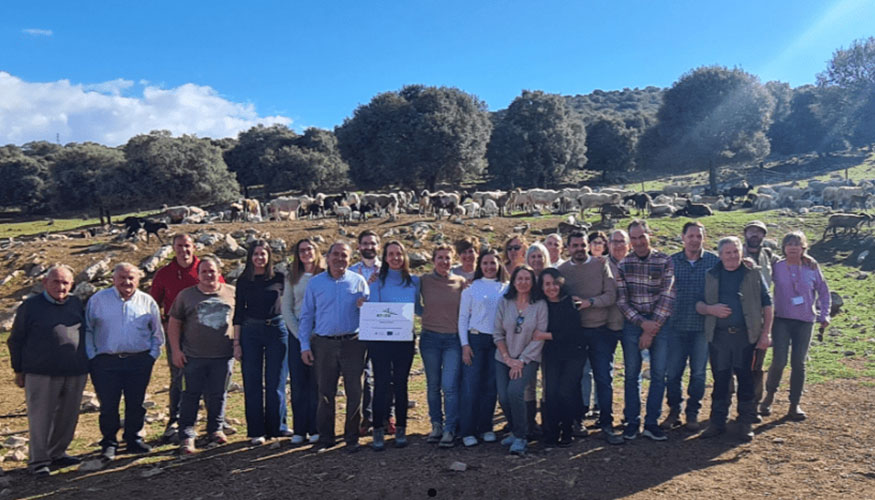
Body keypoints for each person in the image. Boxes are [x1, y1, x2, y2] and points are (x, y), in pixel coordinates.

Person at [8, 265, 88, 475]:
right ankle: (38, 460)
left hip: (74, 370)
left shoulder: (76, 303)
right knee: (41, 417)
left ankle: (57, 453)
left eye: (65, 283)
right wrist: (18, 370)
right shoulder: (31, 306)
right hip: (41, 371)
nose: (61, 287)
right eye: (56, 282)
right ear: (45, 283)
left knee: (68, 416)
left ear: (71, 285)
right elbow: (16, 339)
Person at [150, 233, 226, 442]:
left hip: (208, 333)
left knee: (213, 379)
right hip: (178, 334)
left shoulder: (205, 268)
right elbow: (152, 304)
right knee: (179, 378)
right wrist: (164, 325)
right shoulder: (164, 274)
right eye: (179, 246)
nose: (184, 250)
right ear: (173, 248)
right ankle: (174, 420)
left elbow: (223, 295)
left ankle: (216, 421)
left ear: (194, 248)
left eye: (187, 246)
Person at [85, 263, 164, 460]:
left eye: (131, 278)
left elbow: (157, 332)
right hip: (105, 361)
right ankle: (109, 442)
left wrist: (151, 356)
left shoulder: (147, 301)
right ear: (113, 279)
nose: (126, 282)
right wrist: (92, 357)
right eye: (122, 277)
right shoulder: (98, 300)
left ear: (138, 280)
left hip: (138, 361)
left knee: (136, 402)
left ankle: (133, 438)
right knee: (109, 404)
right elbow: (87, 329)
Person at [697, 237, 773, 441]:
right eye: (727, 252)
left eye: (735, 251)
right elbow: (698, 304)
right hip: (719, 338)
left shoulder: (753, 273)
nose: (732, 256)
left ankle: (745, 422)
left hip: (746, 337)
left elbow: (767, 304)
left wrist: (766, 333)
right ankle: (717, 423)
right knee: (720, 380)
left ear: (742, 253)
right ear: (720, 255)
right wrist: (710, 309)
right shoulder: (711, 275)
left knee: (746, 379)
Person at [299, 241, 369, 452]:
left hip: (353, 343)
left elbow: (369, 311)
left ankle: (351, 437)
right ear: (327, 258)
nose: (340, 259)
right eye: (336, 254)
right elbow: (307, 315)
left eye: (344, 255)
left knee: (354, 391)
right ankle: (326, 438)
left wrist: (365, 306)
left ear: (350, 259)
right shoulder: (315, 283)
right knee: (326, 393)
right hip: (324, 344)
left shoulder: (358, 281)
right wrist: (304, 345)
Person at [558, 231, 623, 445]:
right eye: (574, 245)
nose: (579, 248)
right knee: (576, 378)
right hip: (575, 332)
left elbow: (611, 295)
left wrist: (590, 302)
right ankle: (577, 420)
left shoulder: (600, 265)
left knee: (604, 378)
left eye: (582, 244)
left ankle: (606, 422)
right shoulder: (562, 271)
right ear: (568, 248)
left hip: (600, 330)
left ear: (588, 245)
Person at [167, 255, 235, 454]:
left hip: (223, 356)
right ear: (197, 275)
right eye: (204, 271)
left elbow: (239, 322)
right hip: (192, 357)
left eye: (212, 270)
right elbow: (174, 324)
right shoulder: (186, 296)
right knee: (189, 395)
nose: (208, 274)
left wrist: (239, 346)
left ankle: (215, 429)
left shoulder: (232, 293)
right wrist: (176, 350)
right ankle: (187, 434)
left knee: (218, 394)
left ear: (219, 272)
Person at [616, 220, 675, 441]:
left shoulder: (664, 260)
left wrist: (651, 329)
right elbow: (622, 301)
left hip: (660, 323)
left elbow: (668, 295)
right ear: (630, 241)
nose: (639, 242)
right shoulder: (624, 264)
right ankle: (632, 421)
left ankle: (652, 422)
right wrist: (642, 325)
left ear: (649, 235)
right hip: (633, 324)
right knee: (632, 374)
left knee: (659, 374)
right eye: (634, 238)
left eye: (642, 237)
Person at [761, 231, 830, 421]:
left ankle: (794, 404)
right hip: (781, 319)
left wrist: (824, 314)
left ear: (803, 248)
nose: (793, 247)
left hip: (806, 321)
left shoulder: (812, 267)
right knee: (779, 360)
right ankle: (768, 397)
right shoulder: (777, 267)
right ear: (783, 248)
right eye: (789, 244)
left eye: (797, 244)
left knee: (799, 363)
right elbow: (763, 277)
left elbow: (824, 292)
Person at [661, 222, 719, 431]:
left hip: (702, 327)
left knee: (698, 373)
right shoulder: (671, 261)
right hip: (675, 326)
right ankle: (674, 411)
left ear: (704, 238)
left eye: (699, 236)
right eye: (691, 236)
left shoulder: (714, 261)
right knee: (674, 372)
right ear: (683, 237)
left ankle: (693, 412)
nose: (695, 240)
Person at [366, 240, 420, 450]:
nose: (395, 258)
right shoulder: (377, 281)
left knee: (401, 384)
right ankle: (378, 429)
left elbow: (420, 309)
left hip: (404, 339)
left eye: (399, 254)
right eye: (391, 254)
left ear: (404, 256)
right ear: (385, 257)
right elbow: (370, 307)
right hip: (380, 340)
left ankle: (401, 429)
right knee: (381, 384)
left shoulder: (414, 281)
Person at [233, 240, 288, 445]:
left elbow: (289, 305)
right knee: (252, 381)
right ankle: (256, 430)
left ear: (269, 256)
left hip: (277, 330)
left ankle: (278, 427)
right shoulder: (243, 281)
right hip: (251, 331)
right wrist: (236, 343)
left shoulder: (280, 278)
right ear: (250, 257)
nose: (259, 258)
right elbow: (238, 312)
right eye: (255, 254)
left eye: (263, 254)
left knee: (276, 381)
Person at [494, 265, 547, 455]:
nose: (523, 282)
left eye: (527, 279)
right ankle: (516, 430)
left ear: (533, 282)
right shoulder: (504, 302)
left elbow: (538, 337)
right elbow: (497, 333)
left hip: (529, 358)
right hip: (503, 357)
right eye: (519, 279)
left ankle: (521, 437)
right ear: (513, 281)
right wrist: (508, 359)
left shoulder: (540, 305)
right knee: (503, 396)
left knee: (515, 391)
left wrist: (521, 360)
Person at [457, 249, 508, 447]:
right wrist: (465, 345)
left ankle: (486, 427)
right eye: (485, 263)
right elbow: (463, 318)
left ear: (499, 265)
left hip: (497, 341)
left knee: (490, 386)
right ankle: (467, 430)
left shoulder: (506, 288)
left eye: (493, 263)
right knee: (471, 386)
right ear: (480, 266)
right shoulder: (471, 288)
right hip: (475, 340)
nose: (489, 267)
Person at [418, 244, 466, 448]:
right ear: (433, 260)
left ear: (452, 260)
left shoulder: (461, 282)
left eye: (448, 258)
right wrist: (426, 315)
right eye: (440, 258)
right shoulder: (423, 281)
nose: (444, 262)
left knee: (450, 386)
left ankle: (450, 427)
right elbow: (413, 303)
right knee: (432, 385)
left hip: (452, 340)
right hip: (429, 339)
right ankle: (436, 425)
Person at [535, 268, 586, 447]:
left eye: (555, 283)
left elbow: (571, 332)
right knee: (550, 392)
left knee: (565, 391)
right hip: (551, 354)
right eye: (547, 284)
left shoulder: (569, 302)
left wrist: (544, 335)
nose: (552, 287)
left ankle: (567, 430)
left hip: (573, 352)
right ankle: (550, 432)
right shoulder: (540, 304)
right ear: (541, 286)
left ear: (561, 283)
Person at [281, 238, 325, 445]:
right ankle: (299, 429)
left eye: (310, 249)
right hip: (297, 334)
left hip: (320, 334)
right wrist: (301, 335)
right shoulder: (291, 278)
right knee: (298, 383)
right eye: (301, 250)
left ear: (316, 251)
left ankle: (315, 428)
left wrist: (315, 334)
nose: (306, 253)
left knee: (316, 384)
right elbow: (286, 309)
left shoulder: (325, 276)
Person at [742, 220, 779, 417]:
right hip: (737, 317)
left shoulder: (769, 256)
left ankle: (754, 405)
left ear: (763, 236)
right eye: (751, 231)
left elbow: (789, 262)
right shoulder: (734, 253)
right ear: (745, 234)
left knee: (756, 364)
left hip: (759, 318)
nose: (754, 234)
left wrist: (805, 257)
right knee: (732, 364)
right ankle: (732, 405)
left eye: (758, 232)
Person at [349, 230, 382, 435]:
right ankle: (366, 417)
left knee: (385, 375)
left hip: (384, 328)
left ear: (378, 246)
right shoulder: (351, 272)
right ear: (359, 246)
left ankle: (386, 415)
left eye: (372, 243)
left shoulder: (387, 269)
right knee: (363, 375)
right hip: (358, 330)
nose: (369, 247)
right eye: (365, 243)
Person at [578, 230, 609, 423]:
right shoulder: (580, 265)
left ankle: (600, 406)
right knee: (585, 368)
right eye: (593, 242)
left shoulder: (607, 265)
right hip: (582, 325)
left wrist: (591, 302)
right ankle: (584, 405)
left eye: (600, 242)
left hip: (604, 324)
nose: (597, 246)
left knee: (603, 369)